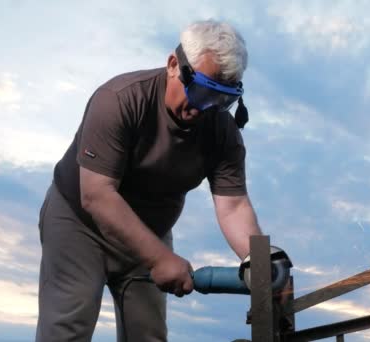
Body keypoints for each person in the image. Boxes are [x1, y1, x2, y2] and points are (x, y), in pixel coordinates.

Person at [36, 20, 263, 341]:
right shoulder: (119, 99)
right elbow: (97, 194)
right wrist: (159, 258)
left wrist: (263, 263)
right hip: (79, 225)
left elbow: (234, 206)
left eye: (221, 99)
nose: (206, 108)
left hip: (149, 232)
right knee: (68, 328)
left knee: (148, 336)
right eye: (200, 91)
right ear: (174, 65)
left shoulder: (221, 131)